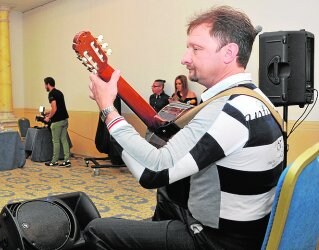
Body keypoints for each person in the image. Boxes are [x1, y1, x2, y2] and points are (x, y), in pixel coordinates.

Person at [85, 6, 283, 249]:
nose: (185, 58)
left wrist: (108, 109)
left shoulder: (227, 111)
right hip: (252, 229)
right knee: (169, 194)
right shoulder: (256, 97)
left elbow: (151, 172)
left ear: (229, 53)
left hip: (217, 240)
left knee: (97, 230)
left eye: (196, 49)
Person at [43, 77, 71, 167]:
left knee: (56, 141)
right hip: (65, 119)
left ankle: (54, 161)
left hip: (57, 121)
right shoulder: (59, 92)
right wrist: (49, 112)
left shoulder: (51, 94)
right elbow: (59, 107)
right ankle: (67, 160)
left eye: (45, 85)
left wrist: (48, 117)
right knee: (64, 140)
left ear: (48, 84)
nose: (44, 87)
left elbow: (54, 108)